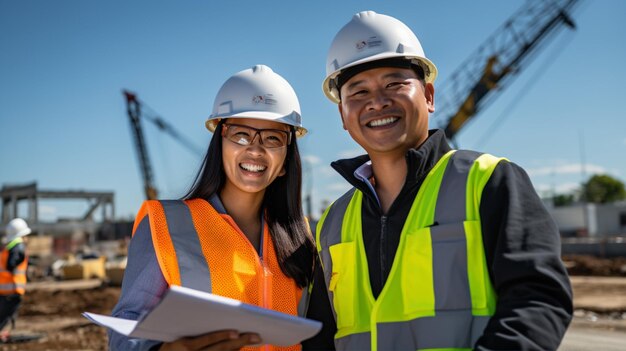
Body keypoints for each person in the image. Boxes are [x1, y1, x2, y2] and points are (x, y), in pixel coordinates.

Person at [303, 11, 573, 351]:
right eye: (357, 92)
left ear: (429, 96)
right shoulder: (333, 223)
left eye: (394, 84)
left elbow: (537, 301)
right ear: (342, 114)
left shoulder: (488, 182)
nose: (377, 101)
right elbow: (323, 334)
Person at [110, 64, 315, 351]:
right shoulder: (166, 224)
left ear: (286, 162)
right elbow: (124, 331)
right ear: (220, 144)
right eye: (241, 135)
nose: (255, 149)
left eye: (272, 138)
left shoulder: (301, 237)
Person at [0, 218, 32, 342]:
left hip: (4, 289)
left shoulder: (8, 247)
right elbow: (11, 264)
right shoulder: (18, 247)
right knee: (5, 316)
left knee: (4, 315)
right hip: (12, 289)